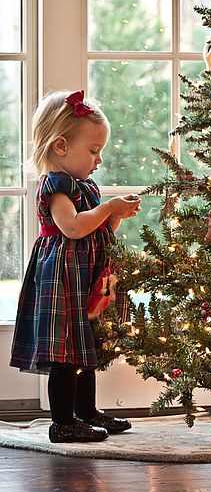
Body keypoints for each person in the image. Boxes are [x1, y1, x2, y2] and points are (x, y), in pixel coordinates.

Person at [10, 90, 142, 443]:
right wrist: (107, 208)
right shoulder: (55, 185)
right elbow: (72, 227)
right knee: (66, 351)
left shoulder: (86, 185)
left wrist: (116, 217)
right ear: (61, 146)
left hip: (86, 273)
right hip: (63, 276)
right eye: (94, 150)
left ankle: (86, 411)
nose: (98, 159)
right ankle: (63, 421)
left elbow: (97, 229)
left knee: (86, 348)